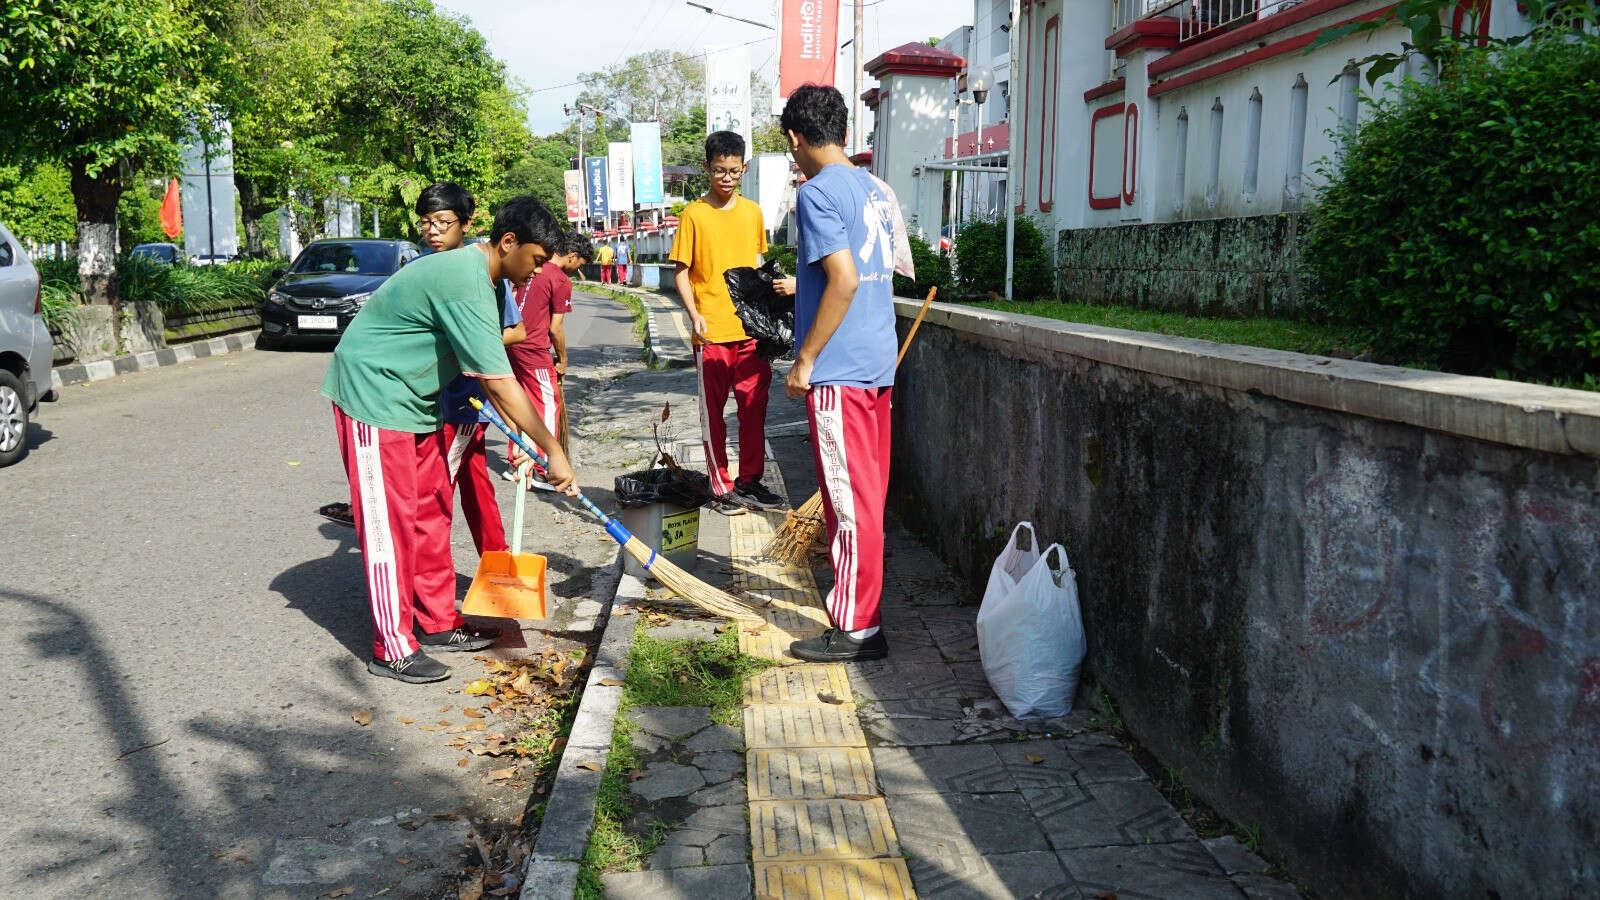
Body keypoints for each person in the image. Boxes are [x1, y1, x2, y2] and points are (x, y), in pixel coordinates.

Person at [322, 195, 577, 684]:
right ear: (508, 243)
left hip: (415, 399)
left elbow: (494, 376)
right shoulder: (465, 280)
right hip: (373, 396)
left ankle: (437, 621)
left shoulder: (483, 278)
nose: (536, 274)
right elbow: (500, 382)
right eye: (536, 261)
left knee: (428, 511)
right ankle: (392, 645)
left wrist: (543, 446)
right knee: (388, 523)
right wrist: (553, 450)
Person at [780, 85, 898, 663]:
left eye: (790, 147)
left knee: (847, 504)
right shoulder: (874, 189)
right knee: (868, 499)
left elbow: (844, 279)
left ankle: (855, 627)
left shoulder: (817, 193)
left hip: (841, 373)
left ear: (796, 139)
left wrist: (805, 359)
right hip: (877, 365)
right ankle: (867, 614)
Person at [317, 182, 487, 529]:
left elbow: (510, 331)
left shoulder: (480, 271)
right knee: (421, 496)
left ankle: (497, 563)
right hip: (416, 401)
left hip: (463, 400)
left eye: (443, 221)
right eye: (426, 222)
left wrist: (466, 340)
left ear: (467, 223)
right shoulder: (417, 265)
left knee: (458, 490)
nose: (433, 231)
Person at [669, 130, 787, 514]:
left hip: (751, 332)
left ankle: (750, 482)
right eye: (719, 170)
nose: (726, 178)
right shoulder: (693, 215)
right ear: (706, 168)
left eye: (734, 171)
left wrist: (769, 316)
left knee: (753, 408)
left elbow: (752, 267)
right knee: (713, 415)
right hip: (712, 334)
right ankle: (720, 487)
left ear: (744, 169)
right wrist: (694, 314)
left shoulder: (753, 212)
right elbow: (681, 273)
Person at [506, 229, 579, 491]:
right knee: (548, 404)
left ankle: (517, 462)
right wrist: (563, 359)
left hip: (511, 343)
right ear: (572, 256)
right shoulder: (559, 279)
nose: (575, 270)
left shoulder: (529, 267)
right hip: (534, 349)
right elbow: (555, 328)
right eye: (578, 265)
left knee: (519, 402)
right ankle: (542, 469)